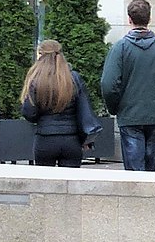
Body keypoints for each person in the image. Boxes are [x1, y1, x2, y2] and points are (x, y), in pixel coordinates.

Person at [101, 0, 155, 171]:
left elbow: (108, 84)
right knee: (150, 167)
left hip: (130, 115)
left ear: (129, 19)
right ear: (150, 19)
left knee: (134, 171)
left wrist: (115, 108)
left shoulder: (120, 48)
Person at [20, 39, 100, 169]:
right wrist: (87, 139)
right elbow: (84, 110)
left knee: (45, 185)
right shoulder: (73, 77)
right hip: (71, 139)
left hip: (45, 138)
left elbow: (29, 113)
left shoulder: (36, 79)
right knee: (71, 184)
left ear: (41, 55)